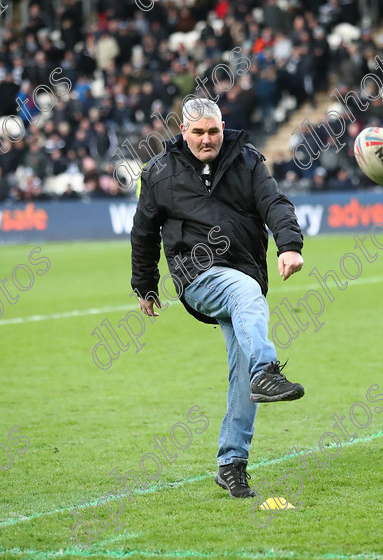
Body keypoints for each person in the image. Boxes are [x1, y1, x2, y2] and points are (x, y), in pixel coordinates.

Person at [130, 98, 306, 498]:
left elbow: (274, 203)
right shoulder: (159, 173)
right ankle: (268, 370)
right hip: (197, 275)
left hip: (244, 267)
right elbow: (143, 231)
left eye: (213, 131)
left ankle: (231, 463)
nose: (207, 139)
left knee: (242, 365)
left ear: (222, 126)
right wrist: (145, 283)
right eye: (198, 133)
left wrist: (289, 245)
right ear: (183, 132)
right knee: (246, 294)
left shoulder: (247, 161)